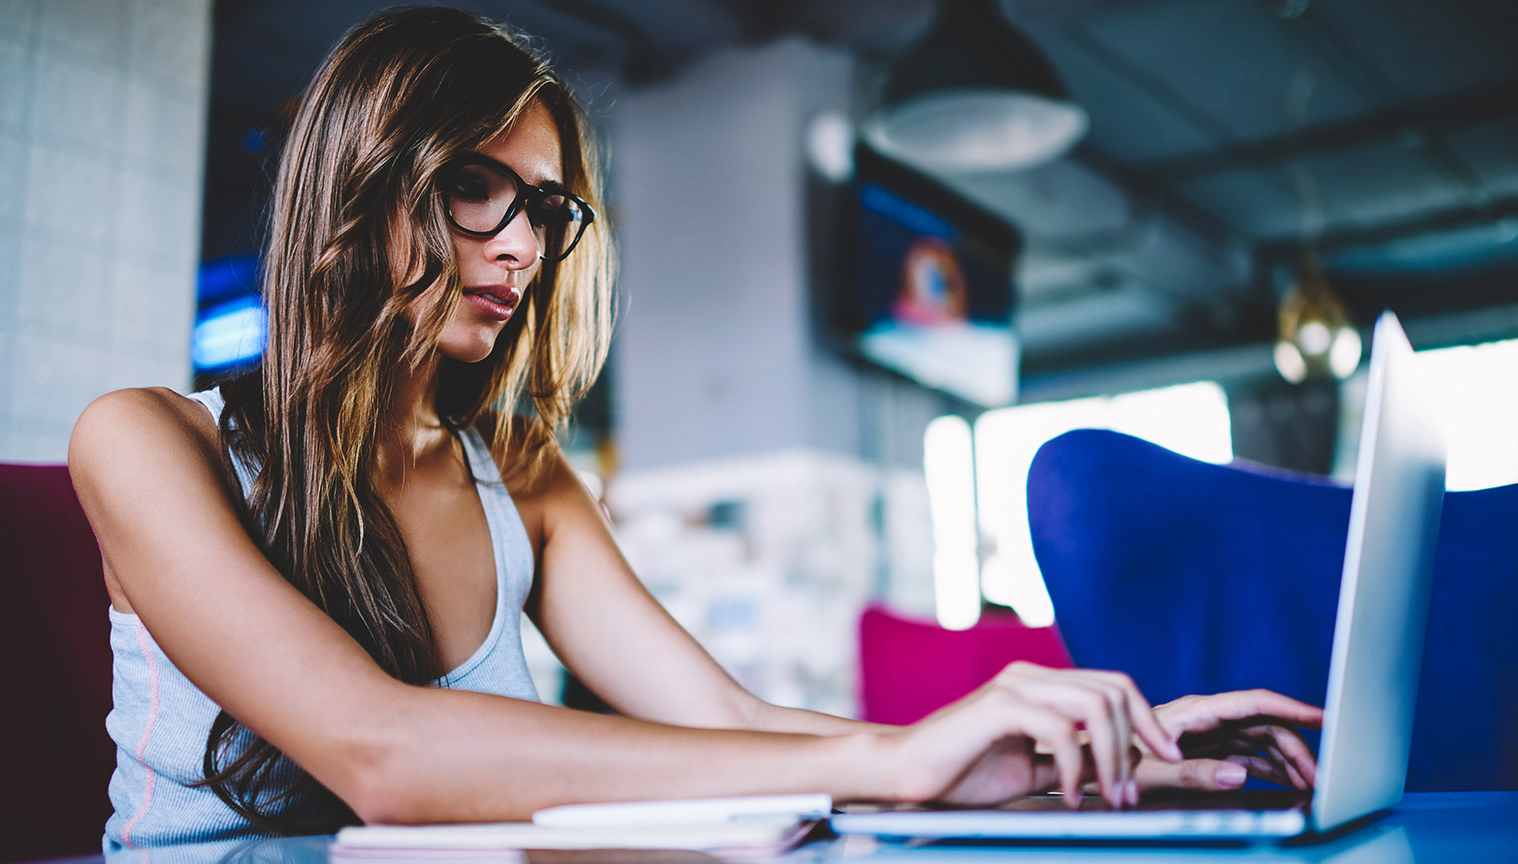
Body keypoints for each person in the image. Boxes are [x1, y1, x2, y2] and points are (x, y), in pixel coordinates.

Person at [70, 7, 1323, 851]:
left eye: (545, 209)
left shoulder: (524, 477)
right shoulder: (145, 442)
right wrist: (898, 760)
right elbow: (382, 756)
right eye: (473, 187)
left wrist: (1074, 756)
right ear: (358, 183)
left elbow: (719, 720)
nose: (518, 244)